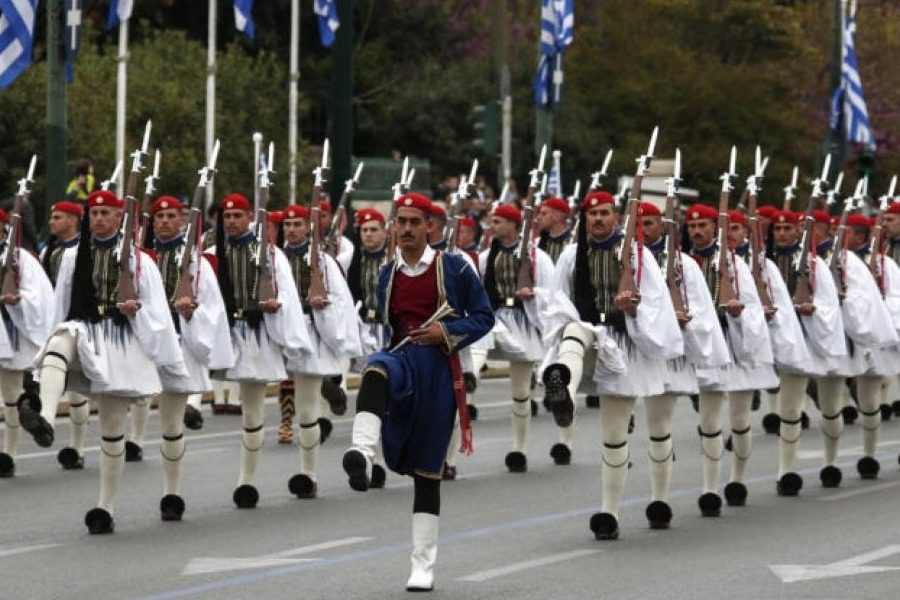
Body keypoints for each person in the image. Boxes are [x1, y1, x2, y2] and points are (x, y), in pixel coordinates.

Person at [341, 192, 493, 591]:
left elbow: (484, 317)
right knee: (376, 369)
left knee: (428, 472)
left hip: (438, 369)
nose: (406, 229)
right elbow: (391, 326)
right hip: (401, 358)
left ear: (430, 227)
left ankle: (422, 565)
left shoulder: (455, 268)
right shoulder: (387, 273)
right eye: (401, 221)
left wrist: (446, 331)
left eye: (414, 222)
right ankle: (361, 450)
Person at [20, 190, 187, 534]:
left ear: (118, 217)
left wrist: (135, 310)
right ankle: (46, 419)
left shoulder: (141, 261)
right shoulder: (71, 256)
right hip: (84, 328)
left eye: (105, 213)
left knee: (112, 429)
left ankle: (105, 506)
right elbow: (61, 302)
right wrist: (50, 337)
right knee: (58, 342)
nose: (98, 218)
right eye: (93, 212)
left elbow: (158, 312)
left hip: (121, 338)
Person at [541, 191, 682, 540]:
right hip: (590, 334)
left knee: (629, 432)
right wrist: (572, 320)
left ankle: (640, 505)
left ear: (617, 217)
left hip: (627, 343)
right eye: (592, 214)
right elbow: (556, 301)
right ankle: (564, 392)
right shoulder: (572, 256)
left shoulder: (638, 255)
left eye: (604, 213)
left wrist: (634, 308)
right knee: (574, 330)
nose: (598, 219)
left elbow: (658, 304)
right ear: (584, 219)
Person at [212, 193, 311, 509]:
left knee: (251, 409)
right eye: (226, 217)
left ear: (249, 218)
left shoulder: (269, 253)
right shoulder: (212, 253)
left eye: (237, 216)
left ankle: (246, 481)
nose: (231, 222)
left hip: (255, 333)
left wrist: (277, 309)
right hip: (225, 333)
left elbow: (288, 295)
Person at [685, 203, 777, 514]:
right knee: (709, 422)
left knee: (739, 420)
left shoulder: (734, 265)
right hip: (706, 347)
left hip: (734, 346)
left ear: (715, 229)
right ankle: (709, 489)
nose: (697, 232)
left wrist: (739, 314)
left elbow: (752, 306)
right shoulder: (683, 263)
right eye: (692, 227)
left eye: (703, 226)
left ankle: (737, 479)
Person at [148, 196, 234, 519]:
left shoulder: (195, 262)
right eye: (160, 216)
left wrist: (191, 314)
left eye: (171, 216)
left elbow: (212, 307)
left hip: (177, 343)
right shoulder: (139, 257)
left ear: (182, 221)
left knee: (170, 424)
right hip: (144, 345)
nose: (166, 221)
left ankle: (172, 494)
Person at [278, 204, 361, 499]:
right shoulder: (276, 258)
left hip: (310, 333)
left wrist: (322, 305)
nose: (291, 229)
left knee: (307, 405)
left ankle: (308, 474)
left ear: (308, 227)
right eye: (287, 224)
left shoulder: (323, 261)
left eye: (297, 224)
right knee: (291, 396)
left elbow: (340, 298)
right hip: (283, 332)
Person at [478, 203, 554, 473]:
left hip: (523, 320)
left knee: (521, 392)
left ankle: (519, 448)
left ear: (513, 224)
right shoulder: (487, 256)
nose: (492, 225)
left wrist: (533, 295)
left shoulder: (536, 256)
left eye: (498, 221)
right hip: (495, 319)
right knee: (473, 355)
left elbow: (550, 291)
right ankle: (470, 376)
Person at [0, 208, 56, 478]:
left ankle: (8, 455)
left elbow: (40, 296)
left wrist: (19, 299)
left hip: (10, 334)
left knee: (11, 398)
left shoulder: (21, 258)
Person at [40, 200, 91, 470]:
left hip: (82, 323)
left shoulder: (88, 249)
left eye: (58, 217)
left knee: (77, 392)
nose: (52, 222)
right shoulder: (52, 252)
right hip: (58, 321)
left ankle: (78, 446)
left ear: (73, 220)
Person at [536, 196, 573, 263]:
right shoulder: (538, 242)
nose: (538, 217)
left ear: (557, 217)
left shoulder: (572, 243)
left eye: (544, 214)